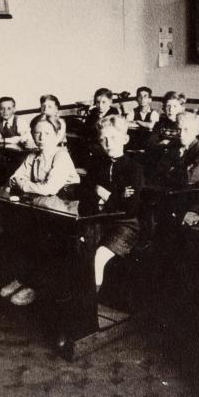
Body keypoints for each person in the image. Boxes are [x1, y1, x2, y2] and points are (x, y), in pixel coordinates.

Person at [0, 114, 81, 306]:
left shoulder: (61, 156)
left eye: (47, 133)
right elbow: (13, 179)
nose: (42, 137)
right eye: (37, 133)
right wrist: (25, 183)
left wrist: (24, 184)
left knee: (40, 239)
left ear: (57, 135)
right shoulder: (33, 155)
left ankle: (36, 285)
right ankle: (24, 278)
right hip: (42, 207)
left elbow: (49, 189)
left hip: (65, 213)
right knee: (19, 233)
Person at [80, 115, 144, 289]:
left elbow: (130, 207)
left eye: (113, 138)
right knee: (79, 250)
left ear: (125, 139)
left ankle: (93, 298)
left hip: (125, 224)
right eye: (103, 139)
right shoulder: (96, 165)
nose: (108, 144)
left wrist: (104, 194)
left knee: (99, 255)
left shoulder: (134, 168)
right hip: (97, 220)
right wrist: (117, 195)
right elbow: (85, 194)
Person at [155, 111, 199, 225]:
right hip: (174, 196)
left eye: (186, 129)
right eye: (179, 129)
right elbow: (160, 170)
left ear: (197, 131)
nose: (181, 134)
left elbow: (189, 178)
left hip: (197, 201)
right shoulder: (173, 145)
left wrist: (172, 170)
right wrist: (177, 170)